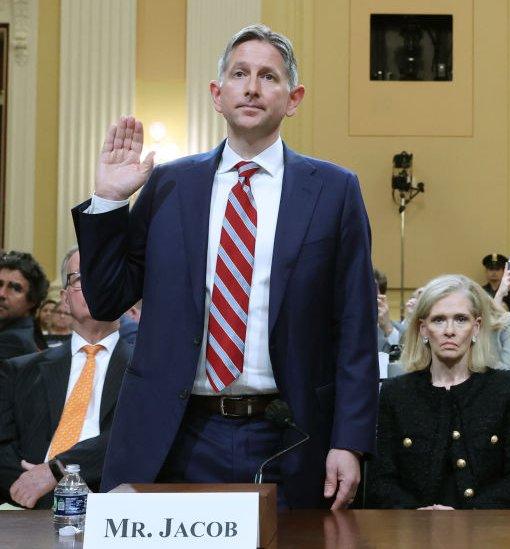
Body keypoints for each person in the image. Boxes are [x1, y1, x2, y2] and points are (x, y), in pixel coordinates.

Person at [70, 25, 377, 509]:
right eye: (239, 74)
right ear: (217, 94)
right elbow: (107, 299)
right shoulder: (169, 184)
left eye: (268, 77)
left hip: (289, 434)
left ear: (293, 98)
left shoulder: (333, 190)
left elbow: (357, 328)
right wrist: (109, 201)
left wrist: (350, 441)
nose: (252, 87)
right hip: (174, 433)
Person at [368, 275, 510, 509]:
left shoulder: (507, 390)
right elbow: (380, 481)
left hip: (488, 534)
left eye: (460, 319)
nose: (449, 330)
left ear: (476, 327)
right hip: (412, 534)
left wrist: (468, 515)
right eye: (438, 320)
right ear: (423, 329)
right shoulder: (395, 394)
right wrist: (418, 515)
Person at [0, 248, 131, 508]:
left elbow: (135, 437)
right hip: (29, 510)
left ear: (124, 292)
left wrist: (56, 474)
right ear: (64, 299)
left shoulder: (147, 371)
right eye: (81, 278)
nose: (94, 283)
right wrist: (39, 491)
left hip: (114, 508)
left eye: (104, 274)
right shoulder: (19, 371)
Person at [0, 251, 49, 359]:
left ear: (32, 301)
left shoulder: (12, 341)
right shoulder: (31, 331)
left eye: (15, 288)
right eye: (0, 284)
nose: (2, 294)